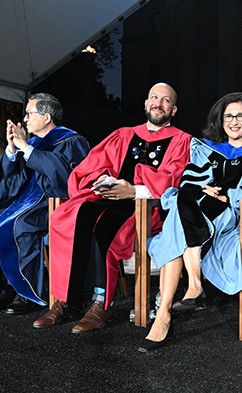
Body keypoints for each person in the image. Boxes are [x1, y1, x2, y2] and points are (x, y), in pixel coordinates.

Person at [32, 83, 192, 334]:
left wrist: (134, 190)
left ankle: (101, 303)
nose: (158, 103)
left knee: (104, 230)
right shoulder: (124, 135)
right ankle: (68, 301)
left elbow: (174, 179)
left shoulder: (182, 141)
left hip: (144, 207)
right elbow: (92, 165)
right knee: (67, 217)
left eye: (165, 100)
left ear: (173, 110)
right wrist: (101, 181)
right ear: (145, 103)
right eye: (153, 97)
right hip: (109, 198)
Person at [138, 92, 242, 352]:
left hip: (236, 217)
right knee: (184, 199)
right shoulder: (207, 150)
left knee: (179, 214)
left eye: (240, 116)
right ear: (221, 120)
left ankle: (176, 303)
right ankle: (171, 306)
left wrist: (227, 194)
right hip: (201, 213)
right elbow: (189, 181)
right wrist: (205, 190)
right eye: (228, 116)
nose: (234, 121)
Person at [0, 93, 90, 314]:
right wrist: (11, 149)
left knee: (22, 224)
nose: (25, 119)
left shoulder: (72, 141)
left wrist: (26, 148)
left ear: (46, 117)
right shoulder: (30, 143)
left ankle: (28, 294)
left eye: (29, 113)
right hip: (22, 203)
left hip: (53, 206)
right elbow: (3, 183)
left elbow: (65, 178)